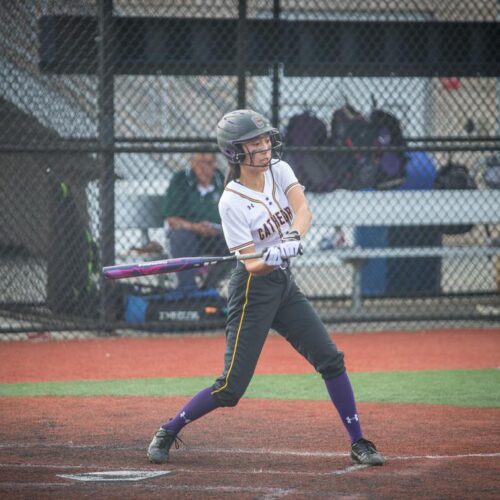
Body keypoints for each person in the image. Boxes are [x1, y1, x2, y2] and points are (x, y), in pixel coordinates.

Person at [148, 109, 385, 466]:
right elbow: (252, 265)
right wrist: (272, 256)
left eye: (263, 140)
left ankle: (359, 441)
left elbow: (303, 210)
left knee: (331, 360)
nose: (263, 147)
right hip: (252, 291)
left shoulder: (279, 169)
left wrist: (291, 238)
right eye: (254, 143)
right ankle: (169, 428)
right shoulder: (231, 201)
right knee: (231, 389)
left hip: (283, 284)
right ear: (235, 152)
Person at [162, 149, 228, 289]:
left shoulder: (220, 179)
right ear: (192, 163)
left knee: (235, 242)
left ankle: (209, 288)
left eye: (209, 163)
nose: (205, 168)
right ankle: (187, 290)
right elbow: (172, 220)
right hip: (187, 234)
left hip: (213, 235)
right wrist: (196, 227)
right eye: (200, 163)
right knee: (181, 237)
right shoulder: (181, 179)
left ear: (215, 164)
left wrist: (215, 228)